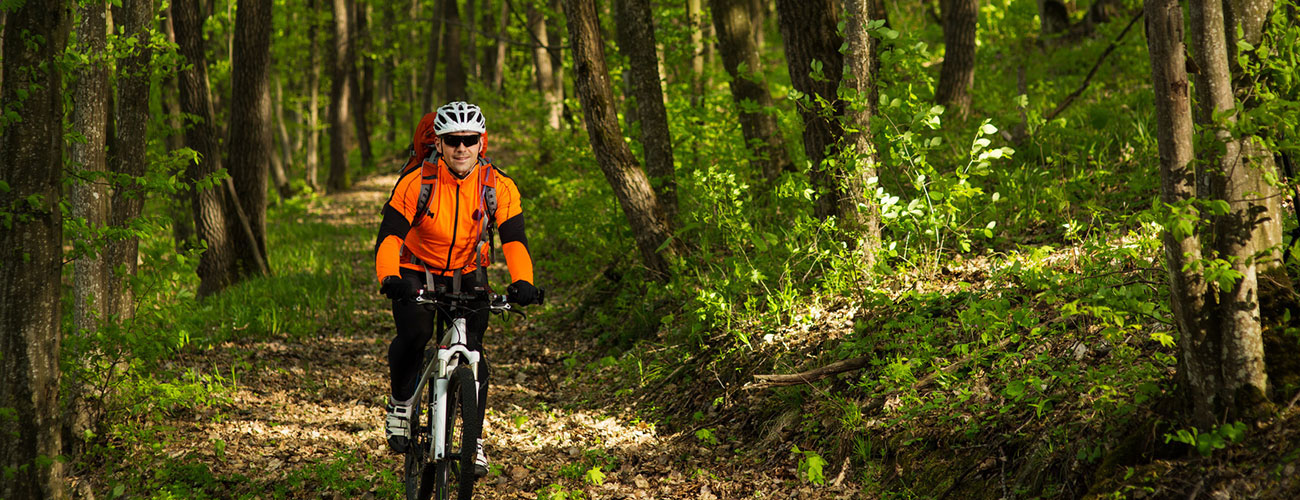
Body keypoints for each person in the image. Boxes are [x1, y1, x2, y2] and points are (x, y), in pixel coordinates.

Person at [373, 101, 539, 476]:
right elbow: (389, 237)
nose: (461, 148)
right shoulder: (418, 182)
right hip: (415, 267)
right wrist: (390, 278)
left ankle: (473, 440)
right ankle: (401, 403)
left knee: (474, 352)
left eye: (468, 140)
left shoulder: (498, 185)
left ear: (481, 142)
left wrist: (523, 282)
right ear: (440, 144)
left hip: (468, 269)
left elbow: (514, 240)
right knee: (414, 333)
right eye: (452, 141)